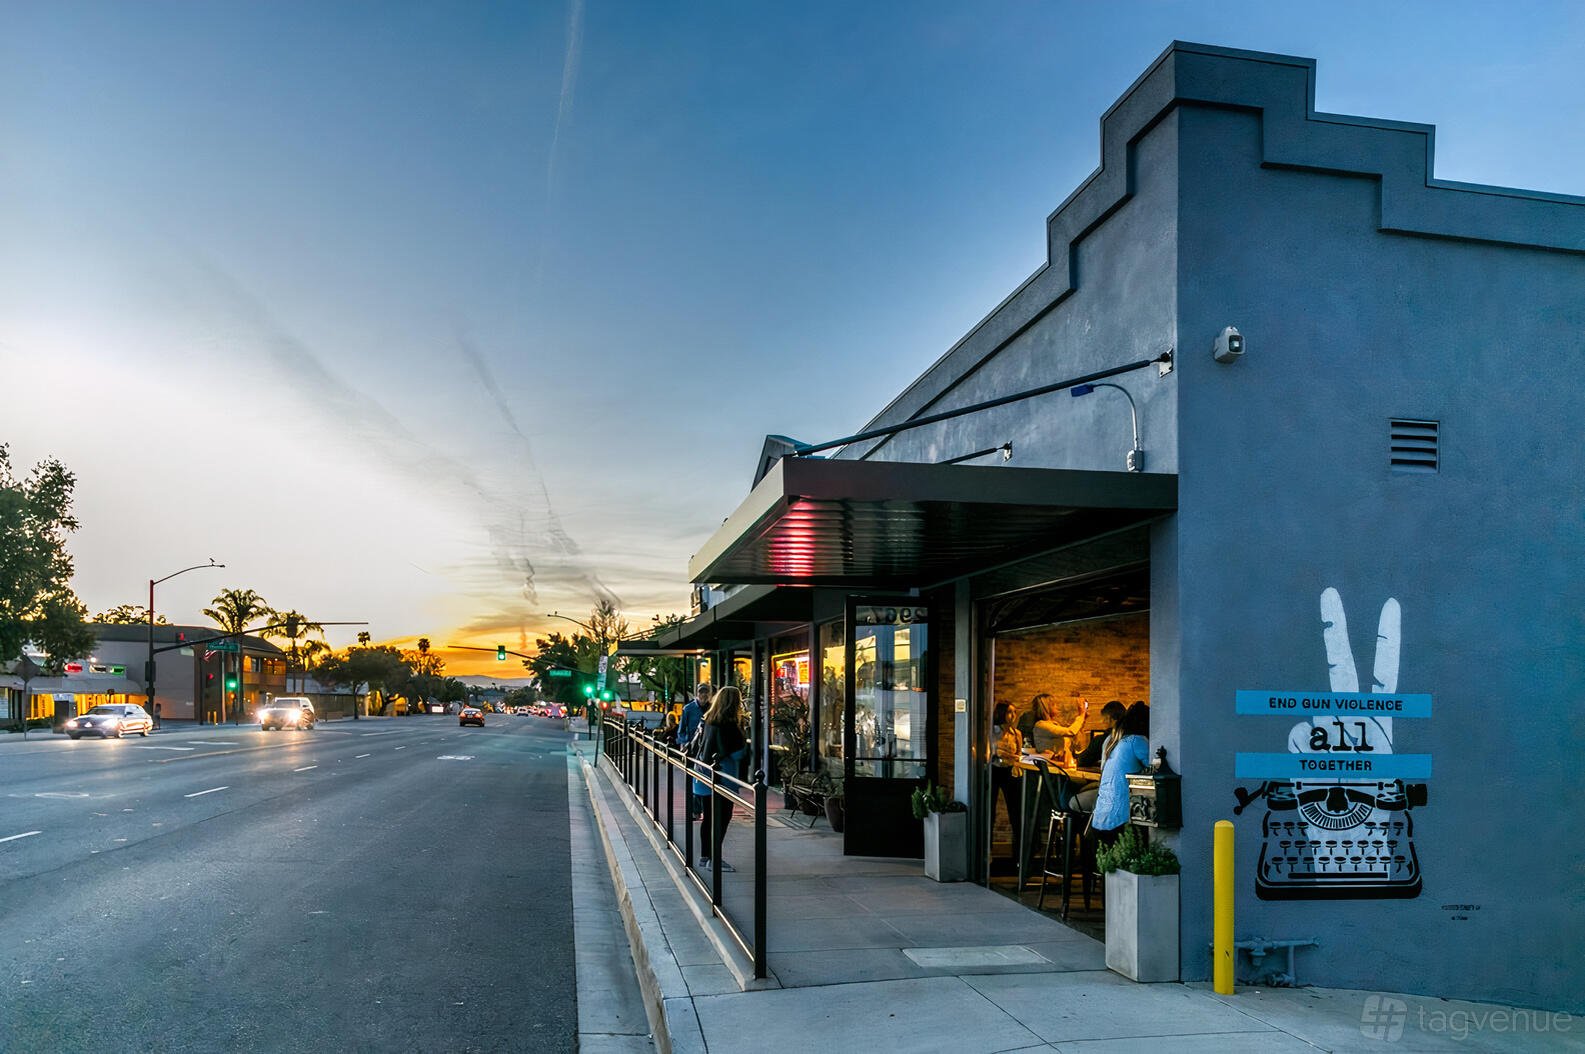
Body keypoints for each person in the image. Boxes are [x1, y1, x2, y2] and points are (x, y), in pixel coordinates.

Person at [693, 685, 748, 872]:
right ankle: (715, 860)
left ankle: (705, 856)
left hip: (703, 774)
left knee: (708, 818)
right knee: (723, 818)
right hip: (722, 777)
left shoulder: (708, 719)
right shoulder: (730, 725)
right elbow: (737, 754)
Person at [1088, 700, 1151, 845]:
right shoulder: (1137, 741)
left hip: (1099, 819)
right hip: (1119, 821)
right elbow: (1156, 769)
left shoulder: (1115, 740)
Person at [1068, 701, 1127, 812]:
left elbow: (1083, 760)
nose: (1102, 722)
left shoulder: (1103, 739)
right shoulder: (1130, 739)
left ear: (1110, 719)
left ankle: (1073, 826)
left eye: (1104, 719)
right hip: (1126, 791)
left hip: (1109, 789)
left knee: (1071, 786)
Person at [989, 701, 1024, 867]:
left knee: (1016, 812)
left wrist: (1014, 757)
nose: (1013, 716)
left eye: (1014, 712)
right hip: (994, 770)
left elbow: (1018, 755)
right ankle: (987, 852)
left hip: (1010, 771)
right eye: (1010, 712)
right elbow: (986, 752)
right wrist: (997, 752)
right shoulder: (991, 731)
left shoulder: (1016, 733)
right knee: (990, 811)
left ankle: (1018, 856)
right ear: (1001, 713)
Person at [680, 683, 713, 820]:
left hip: (707, 749)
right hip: (693, 750)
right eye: (701, 692)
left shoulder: (712, 708)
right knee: (693, 781)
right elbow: (681, 730)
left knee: (705, 780)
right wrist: (684, 744)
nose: (703, 695)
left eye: (706, 692)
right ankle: (695, 810)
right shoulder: (688, 709)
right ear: (697, 693)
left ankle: (704, 809)